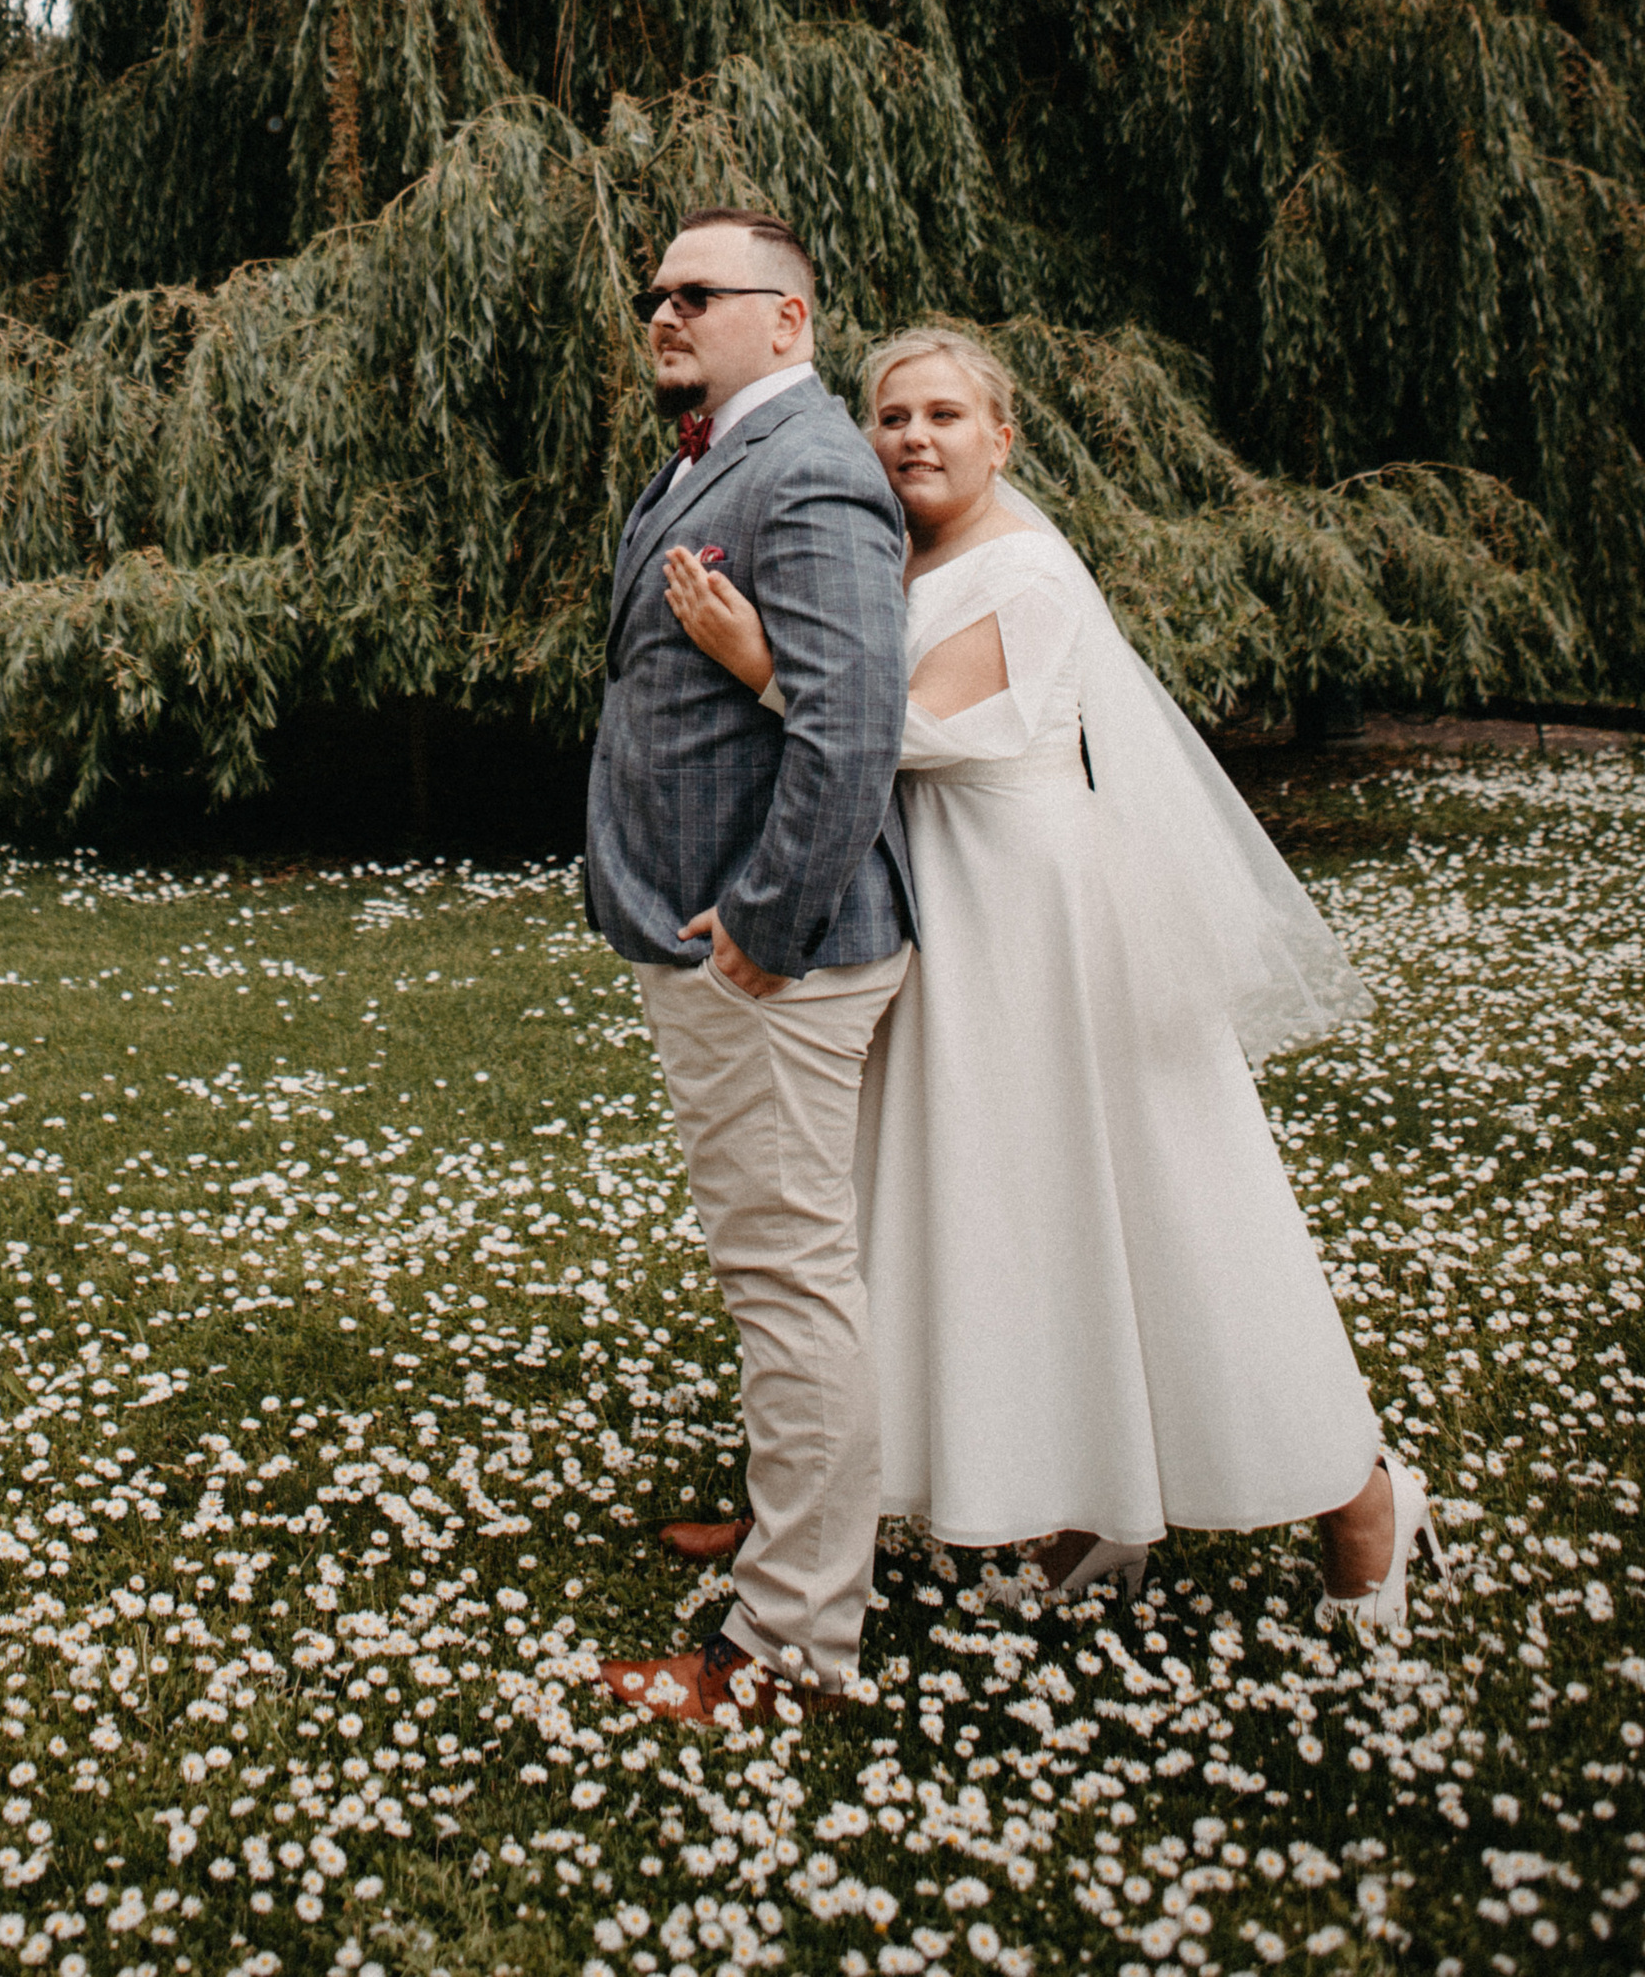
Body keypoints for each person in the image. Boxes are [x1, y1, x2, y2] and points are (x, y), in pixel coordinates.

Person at [665, 320, 1439, 1632]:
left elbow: (903, 731)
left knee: (1163, 1211)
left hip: (1041, 928)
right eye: (892, 415)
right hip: (951, 920)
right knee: (1008, 1215)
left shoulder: (1021, 569)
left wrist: (756, 665)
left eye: (944, 416)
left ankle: (1359, 1494)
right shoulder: (901, 558)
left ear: (1000, 436)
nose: (914, 435)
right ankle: (1068, 1501)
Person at [584, 206, 917, 1723]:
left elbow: (853, 732)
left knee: (789, 1284)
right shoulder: (721, 452)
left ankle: (791, 1648)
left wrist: (761, 933)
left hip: (770, 956)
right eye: (655, 292)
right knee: (786, 1273)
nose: (664, 311)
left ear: (789, 319)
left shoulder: (815, 473)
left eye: (698, 292)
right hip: (719, 935)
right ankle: (797, 1533)